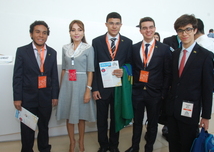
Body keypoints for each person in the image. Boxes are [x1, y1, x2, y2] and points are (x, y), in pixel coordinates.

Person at [167, 14, 213, 152]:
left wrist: (206, 116)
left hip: (190, 111)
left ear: (194, 30)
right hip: (173, 110)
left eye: (187, 29)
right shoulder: (175, 54)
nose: (184, 33)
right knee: (173, 144)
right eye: (180, 31)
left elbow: (207, 88)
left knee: (187, 145)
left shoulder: (205, 56)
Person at [125, 17, 172, 152]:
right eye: (144, 28)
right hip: (138, 92)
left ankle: (149, 148)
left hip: (155, 94)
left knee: (152, 123)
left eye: (151, 27)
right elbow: (131, 69)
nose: (148, 30)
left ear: (155, 29)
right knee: (137, 123)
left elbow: (167, 73)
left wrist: (163, 93)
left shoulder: (164, 49)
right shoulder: (134, 48)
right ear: (140, 31)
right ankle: (134, 147)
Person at [13, 20, 59, 152]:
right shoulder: (22, 51)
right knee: (27, 128)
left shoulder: (52, 52)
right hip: (27, 97)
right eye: (37, 32)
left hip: (45, 97)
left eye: (44, 33)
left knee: (44, 127)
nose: (41, 35)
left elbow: (54, 76)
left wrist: (55, 95)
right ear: (31, 34)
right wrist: (17, 98)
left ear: (47, 35)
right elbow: (17, 77)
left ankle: (44, 149)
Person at [92, 12, 132, 152]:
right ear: (106, 24)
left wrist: (124, 70)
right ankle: (103, 145)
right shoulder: (96, 42)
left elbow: (129, 63)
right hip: (101, 89)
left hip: (118, 88)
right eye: (111, 23)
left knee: (116, 119)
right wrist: (94, 88)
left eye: (117, 23)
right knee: (101, 120)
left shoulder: (128, 42)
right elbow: (94, 67)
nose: (114, 26)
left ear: (121, 24)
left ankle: (114, 146)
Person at [56, 20, 96, 152]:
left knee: (81, 116)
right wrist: (61, 89)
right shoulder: (65, 48)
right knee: (69, 115)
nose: (76, 32)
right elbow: (64, 69)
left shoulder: (88, 48)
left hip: (81, 83)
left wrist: (88, 90)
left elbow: (90, 71)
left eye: (79, 29)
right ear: (69, 32)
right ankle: (72, 141)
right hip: (68, 84)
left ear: (83, 32)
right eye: (73, 30)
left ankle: (81, 141)